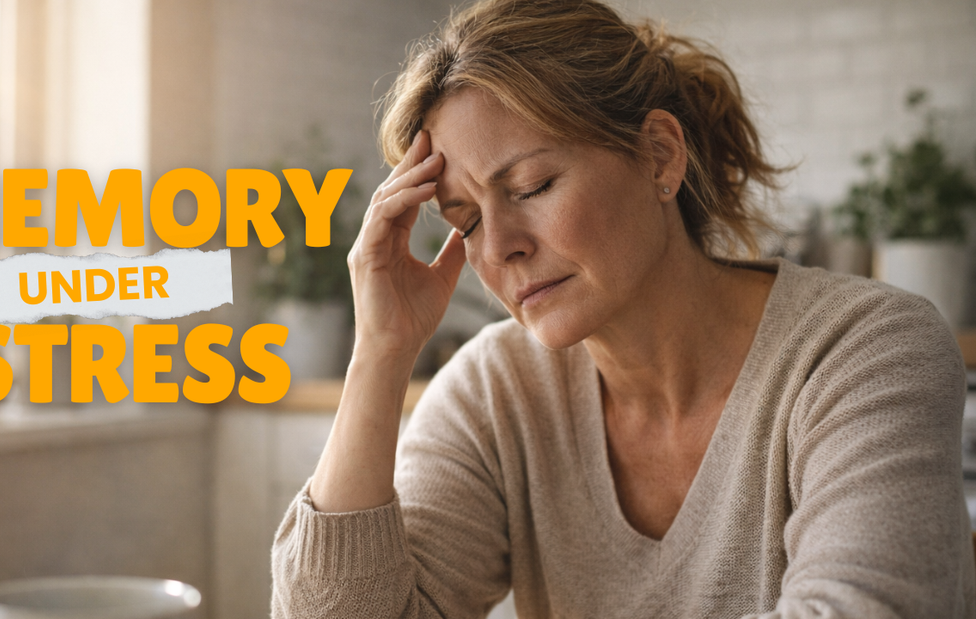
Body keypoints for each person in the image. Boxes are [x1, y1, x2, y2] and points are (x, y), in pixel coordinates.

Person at [271, 0, 974, 616]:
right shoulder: (495, 393)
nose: (502, 246)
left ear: (660, 156)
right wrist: (381, 352)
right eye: (468, 220)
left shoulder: (863, 349)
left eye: (532, 186)